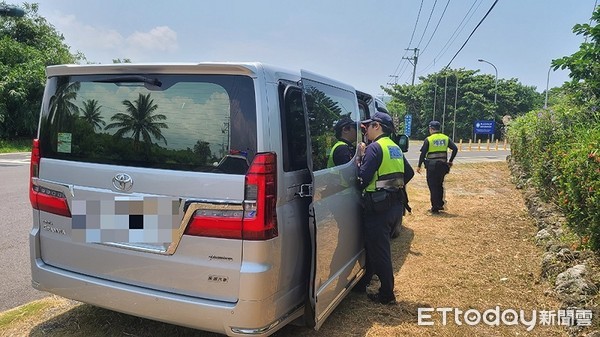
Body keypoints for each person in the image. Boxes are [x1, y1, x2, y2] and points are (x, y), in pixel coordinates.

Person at [353, 111, 406, 305]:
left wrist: (360, 158)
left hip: (378, 208)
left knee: (380, 252)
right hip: (394, 206)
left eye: (368, 126)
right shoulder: (394, 148)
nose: (365, 130)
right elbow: (407, 173)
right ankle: (364, 282)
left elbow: (361, 180)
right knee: (376, 248)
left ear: (378, 126)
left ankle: (387, 294)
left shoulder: (375, 148)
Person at [416, 121, 458, 214]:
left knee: (432, 186)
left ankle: (435, 207)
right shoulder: (446, 138)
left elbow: (423, 154)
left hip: (432, 166)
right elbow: (455, 148)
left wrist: (419, 166)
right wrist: (450, 161)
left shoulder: (429, 139)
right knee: (439, 184)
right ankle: (440, 204)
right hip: (443, 166)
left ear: (431, 128)